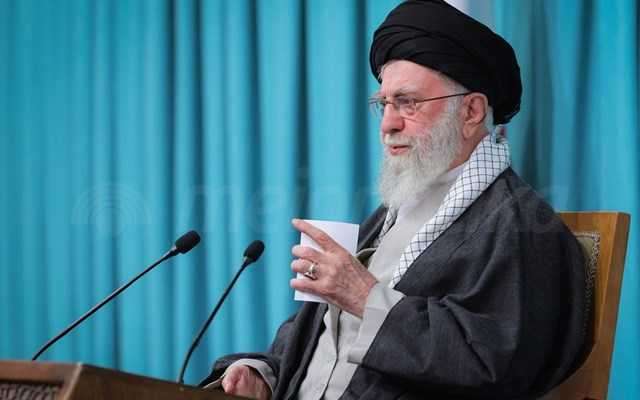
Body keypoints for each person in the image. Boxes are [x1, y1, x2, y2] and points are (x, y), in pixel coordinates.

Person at [200, 1, 588, 399]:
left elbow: (496, 364)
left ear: (471, 111)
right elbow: (324, 338)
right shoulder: (392, 213)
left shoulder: (521, 226)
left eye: (408, 103)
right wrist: (265, 375)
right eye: (384, 104)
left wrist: (364, 297)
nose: (388, 123)